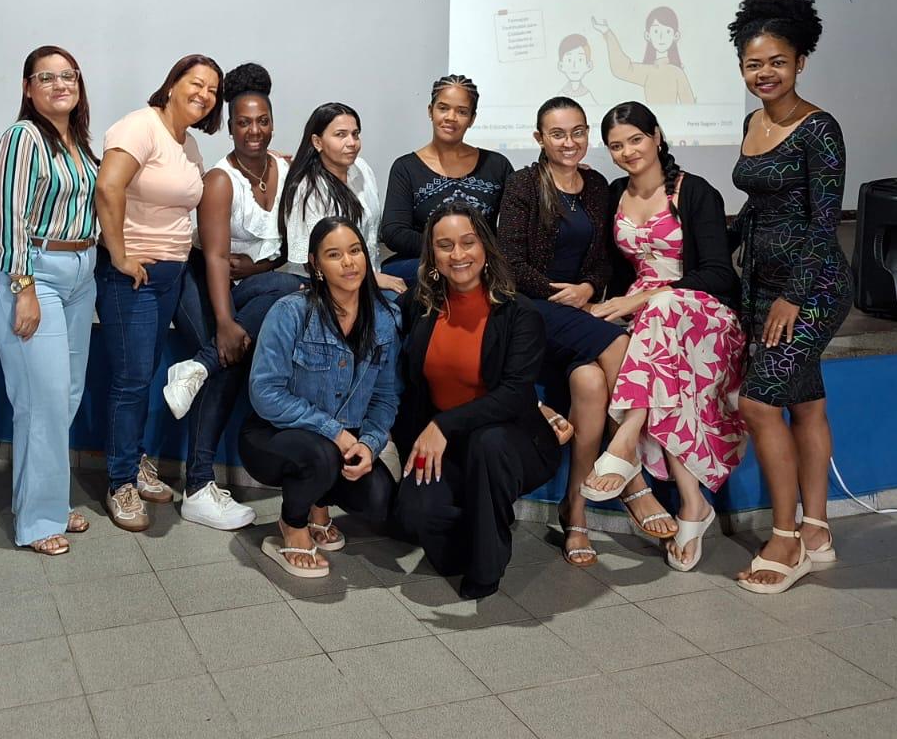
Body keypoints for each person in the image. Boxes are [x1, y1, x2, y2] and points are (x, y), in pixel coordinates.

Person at [499, 97, 677, 566]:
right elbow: (510, 263)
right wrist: (562, 292)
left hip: (580, 312)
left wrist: (587, 286)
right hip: (532, 309)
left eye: (578, 132)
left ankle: (574, 514)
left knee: (591, 381)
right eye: (558, 134)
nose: (570, 142)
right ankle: (633, 481)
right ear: (540, 139)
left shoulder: (597, 185)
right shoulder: (521, 185)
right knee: (620, 342)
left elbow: (603, 257)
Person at [582, 102, 745, 574]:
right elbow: (612, 270)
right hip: (650, 319)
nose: (627, 151)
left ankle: (627, 439)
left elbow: (718, 274)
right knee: (638, 344)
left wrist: (644, 298)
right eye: (616, 145)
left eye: (635, 139)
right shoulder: (615, 193)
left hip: (702, 313)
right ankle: (693, 503)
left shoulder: (694, 192)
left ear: (656, 136)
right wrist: (601, 299)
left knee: (662, 308)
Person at [727, 0, 854, 594]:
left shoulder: (820, 130)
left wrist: (793, 297)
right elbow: (762, 203)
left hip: (814, 286)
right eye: (754, 64)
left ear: (800, 60)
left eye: (777, 61)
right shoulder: (753, 121)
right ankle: (820, 529)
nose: (765, 74)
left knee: (757, 403)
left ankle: (785, 538)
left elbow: (824, 221)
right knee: (805, 403)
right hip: (762, 281)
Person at [392, 205, 565, 598]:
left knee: (488, 445)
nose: (459, 255)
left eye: (468, 242)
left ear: (485, 247)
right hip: (449, 443)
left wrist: (442, 426)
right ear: (432, 255)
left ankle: (488, 566)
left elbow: (514, 396)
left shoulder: (520, 313)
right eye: (445, 245)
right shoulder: (420, 307)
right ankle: (472, 530)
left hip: (512, 440)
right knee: (414, 512)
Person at [164, 63, 300, 530]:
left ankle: (197, 364)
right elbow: (218, 259)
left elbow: (288, 249)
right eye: (243, 122)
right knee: (231, 352)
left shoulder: (287, 169)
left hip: (256, 280)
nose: (254, 130)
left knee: (291, 285)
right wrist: (223, 325)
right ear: (230, 125)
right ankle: (198, 487)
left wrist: (260, 265)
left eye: (261, 120)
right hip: (204, 278)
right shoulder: (221, 180)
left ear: (273, 122)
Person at [95, 54, 222, 532]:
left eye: (212, 90)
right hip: (133, 276)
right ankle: (119, 481)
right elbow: (108, 188)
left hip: (173, 272)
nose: (204, 94)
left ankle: (135, 458)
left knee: (147, 372)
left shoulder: (188, 146)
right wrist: (121, 254)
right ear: (172, 84)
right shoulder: (139, 127)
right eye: (196, 83)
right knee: (130, 379)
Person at [0, 46, 100, 556]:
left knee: (64, 396)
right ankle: (37, 521)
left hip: (81, 273)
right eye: (46, 77)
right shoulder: (22, 137)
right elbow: (9, 217)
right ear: (28, 88)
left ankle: (45, 500)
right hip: (33, 272)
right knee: (44, 400)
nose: (60, 84)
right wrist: (23, 288)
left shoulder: (77, 142)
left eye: (68, 76)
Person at [245, 217, 401, 578]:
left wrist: (371, 444)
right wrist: (333, 431)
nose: (348, 262)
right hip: (271, 438)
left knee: (378, 499)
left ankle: (319, 503)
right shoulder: (290, 312)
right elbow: (265, 393)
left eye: (355, 251)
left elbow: (386, 396)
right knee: (321, 455)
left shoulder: (384, 319)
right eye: (334, 255)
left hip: (341, 442)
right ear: (315, 264)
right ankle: (293, 524)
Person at [380, 75, 513, 285]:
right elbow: (394, 232)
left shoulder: (497, 165)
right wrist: (447, 250)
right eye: (443, 108)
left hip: (484, 267)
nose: (451, 117)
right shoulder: (405, 168)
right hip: (426, 265)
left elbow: (513, 227)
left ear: (472, 118)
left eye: (461, 111)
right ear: (430, 111)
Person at [279, 103, 408, 296]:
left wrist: (371, 276)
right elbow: (312, 263)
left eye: (355, 134)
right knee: (396, 307)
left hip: (366, 273)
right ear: (317, 142)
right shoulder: (308, 189)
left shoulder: (362, 168)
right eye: (340, 135)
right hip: (324, 284)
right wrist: (371, 279)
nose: (352, 142)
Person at [594, 7, 695, 104]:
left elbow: (689, 104)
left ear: (675, 36)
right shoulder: (649, 70)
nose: (661, 37)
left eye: (667, 31)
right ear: (648, 35)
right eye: (656, 31)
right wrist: (607, 33)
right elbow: (621, 69)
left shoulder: (677, 72)